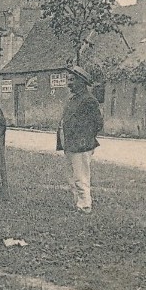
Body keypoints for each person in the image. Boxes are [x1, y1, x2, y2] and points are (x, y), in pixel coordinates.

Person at [57, 65, 104, 214]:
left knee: (80, 175)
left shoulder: (89, 100)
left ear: (81, 82)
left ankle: (85, 205)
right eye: (68, 80)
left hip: (81, 144)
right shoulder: (73, 99)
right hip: (70, 143)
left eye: (72, 80)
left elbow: (98, 123)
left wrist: (84, 137)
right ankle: (78, 202)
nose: (69, 83)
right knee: (71, 176)